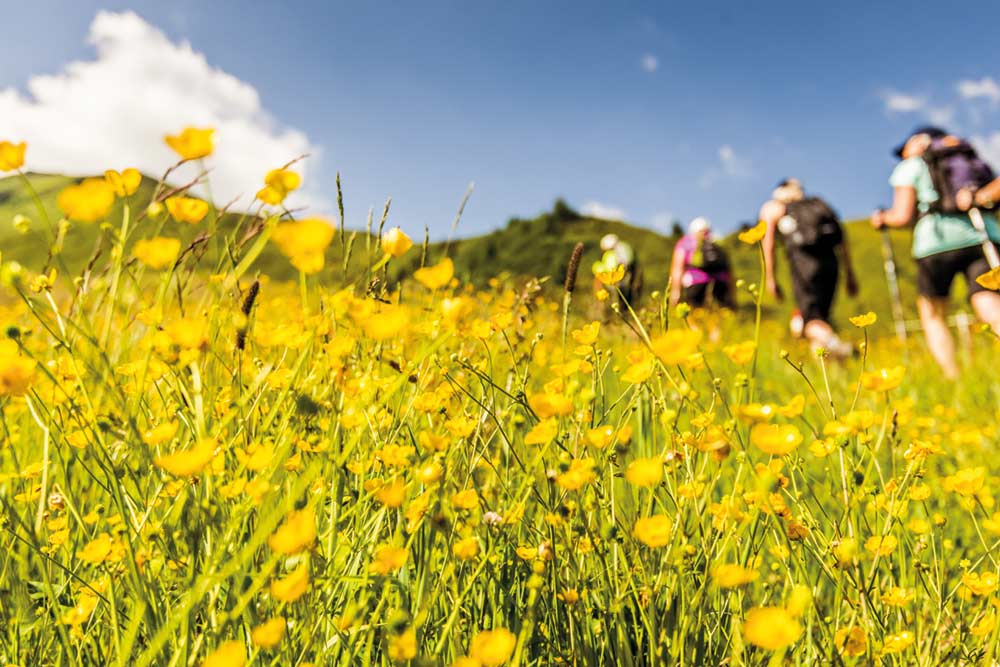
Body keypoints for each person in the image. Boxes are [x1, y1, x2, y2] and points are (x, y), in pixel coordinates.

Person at [871, 126, 1000, 379]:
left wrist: (883, 219)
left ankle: (952, 376)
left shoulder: (912, 165)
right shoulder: (965, 158)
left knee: (933, 313)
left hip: (935, 243)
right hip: (982, 234)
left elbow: (902, 215)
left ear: (915, 143)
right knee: (989, 302)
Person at [760, 178, 858, 358]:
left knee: (810, 321)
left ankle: (842, 349)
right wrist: (850, 274)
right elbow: (842, 238)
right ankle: (826, 370)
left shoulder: (775, 207)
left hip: (804, 265)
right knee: (821, 317)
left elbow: (768, 244)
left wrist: (770, 278)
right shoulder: (818, 205)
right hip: (831, 264)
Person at [669, 217, 734, 308]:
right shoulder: (718, 242)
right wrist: (732, 294)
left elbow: (678, 267)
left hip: (696, 282)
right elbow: (729, 269)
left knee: (696, 313)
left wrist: (675, 291)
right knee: (720, 313)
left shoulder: (685, 242)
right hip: (721, 283)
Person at [596, 233, 642, 307]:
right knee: (623, 297)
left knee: (622, 297)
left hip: (621, 278)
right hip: (619, 277)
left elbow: (625, 264)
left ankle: (622, 310)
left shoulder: (621, 248)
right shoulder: (623, 247)